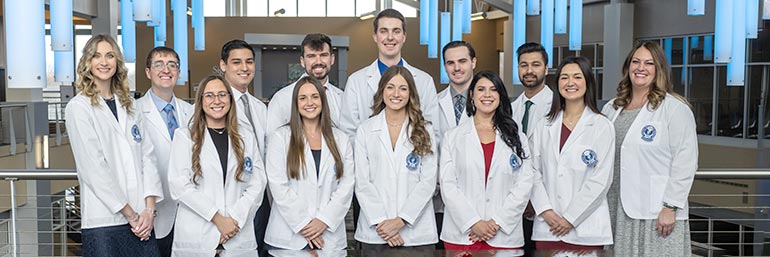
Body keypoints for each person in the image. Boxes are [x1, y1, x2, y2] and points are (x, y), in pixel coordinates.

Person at [65, 34, 162, 257]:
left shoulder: (131, 105)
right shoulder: (78, 108)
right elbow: (94, 168)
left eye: (110, 55)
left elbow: (148, 157)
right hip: (105, 222)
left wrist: (149, 210)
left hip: (142, 221)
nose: (104, 62)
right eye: (96, 56)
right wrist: (131, 215)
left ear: (117, 62)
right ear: (87, 63)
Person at [601, 41, 698, 255]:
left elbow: (686, 160)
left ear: (659, 69)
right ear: (628, 67)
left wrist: (671, 206)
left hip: (656, 212)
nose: (640, 68)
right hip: (616, 208)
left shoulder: (674, 109)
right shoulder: (612, 108)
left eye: (648, 63)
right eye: (635, 62)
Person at [167, 74, 267, 256]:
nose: (216, 100)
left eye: (222, 94)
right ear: (201, 100)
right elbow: (179, 185)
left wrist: (233, 220)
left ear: (230, 98)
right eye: (209, 95)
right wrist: (218, 219)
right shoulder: (185, 137)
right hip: (198, 235)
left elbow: (258, 183)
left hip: (238, 234)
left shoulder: (246, 137)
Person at [440, 71, 533, 251]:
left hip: (503, 234)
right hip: (462, 235)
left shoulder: (517, 137)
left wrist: (496, 223)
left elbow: (524, 184)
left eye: (493, 90)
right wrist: (473, 222)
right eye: (481, 89)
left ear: (500, 96)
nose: (487, 95)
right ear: (472, 96)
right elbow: (448, 184)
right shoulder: (452, 137)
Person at [529, 56, 614, 251]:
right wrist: (546, 211)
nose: (570, 83)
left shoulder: (602, 126)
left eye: (577, 77)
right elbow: (532, 171)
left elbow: (601, 180)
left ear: (588, 82)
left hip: (586, 228)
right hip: (547, 227)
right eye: (564, 77)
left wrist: (570, 218)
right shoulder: (544, 125)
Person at [264, 76, 355, 252]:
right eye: (302, 98)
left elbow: (346, 185)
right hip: (288, 238)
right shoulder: (281, 137)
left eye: (314, 96)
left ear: (322, 100)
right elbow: (278, 185)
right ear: (295, 103)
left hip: (328, 236)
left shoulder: (341, 139)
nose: (309, 102)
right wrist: (305, 224)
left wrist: (323, 221)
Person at [354, 66, 438, 252]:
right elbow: (362, 181)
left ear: (411, 93)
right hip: (376, 232)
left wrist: (401, 220)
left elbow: (428, 181)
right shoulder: (366, 130)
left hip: (416, 234)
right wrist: (384, 225)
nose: (396, 94)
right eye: (390, 87)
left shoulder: (425, 130)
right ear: (382, 90)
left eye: (403, 88)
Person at [340, 8, 440, 140]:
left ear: (404, 37)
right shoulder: (356, 81)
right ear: (375, 36)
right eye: (384, 31)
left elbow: (433, 133)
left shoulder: (424, 81)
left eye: (396, 31)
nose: (390, 37)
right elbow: (348, 134)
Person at [136, 46, 194, 257]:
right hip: (154, 213)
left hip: (190, 210)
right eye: (158, 64)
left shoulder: (192, 112)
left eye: (172, 65)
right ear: (148, 72)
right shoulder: (134, 111)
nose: (166, 69)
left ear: (178, 72)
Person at [218, 39, 271, 257]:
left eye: (249, 62)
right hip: (231, 201)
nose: (244, 68)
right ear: (223, 66)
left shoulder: (259, 106)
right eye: (236, 62)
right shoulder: (214, 104)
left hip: (261, 197)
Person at [509, 42, 553, 256]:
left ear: (546, 68)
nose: (528, 70)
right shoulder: (510, 109)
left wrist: (536, 200)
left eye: (535, 64)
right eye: (523, 65)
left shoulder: (558, 106)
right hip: (514, 205)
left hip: (547, 204)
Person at [435, 40, 477, 249]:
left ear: (473, 62)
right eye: (450, 63)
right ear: (445, 67)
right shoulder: (433, 103)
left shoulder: (488, 100)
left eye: (462, 61)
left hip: (479, 201)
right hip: (440, 201)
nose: (457, 68)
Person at [266, 34, 344, 135]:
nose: (318, 61)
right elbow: (272, 141)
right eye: (311, 56)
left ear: (332, 59)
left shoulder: (342, 97)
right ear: (302, 61)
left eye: (323, 55)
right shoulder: (282, 98)